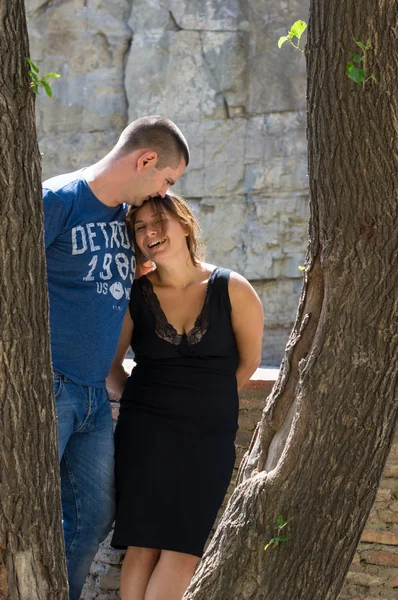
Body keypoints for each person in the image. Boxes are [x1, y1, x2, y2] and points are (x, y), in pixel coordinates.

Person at [42, 116, 189, 600]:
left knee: (96, 516)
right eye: (167, 178)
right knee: (23, 508)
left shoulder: (127, 220)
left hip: (95, 398)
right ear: (146, 160)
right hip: (49, 388)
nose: (164, 191)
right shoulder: (57, 200)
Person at [106, 193, 264, 600]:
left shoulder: (233, 289)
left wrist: (204, 404)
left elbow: (249, 362)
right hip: (145, 434)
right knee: (142, 546)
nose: (150, 232)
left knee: (184, 549)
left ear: (185, 224)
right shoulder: (133, 295)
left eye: (158, 221)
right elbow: (111, 367)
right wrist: (141, 404)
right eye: (139, 227)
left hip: (206, 437)